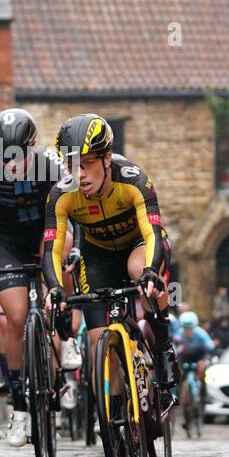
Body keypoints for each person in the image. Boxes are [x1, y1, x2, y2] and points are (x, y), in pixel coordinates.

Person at [41, 114, 177, 396]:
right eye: (71, 165)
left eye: (87, 163)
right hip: (98, 255)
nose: (79, 174)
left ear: (107, 158)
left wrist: (152, 270)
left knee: (139, 270)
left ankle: (163, 346)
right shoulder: (61, 195)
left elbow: (153, 232)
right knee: (99, 344)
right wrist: (54, 287)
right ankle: (116, 421)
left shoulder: (134, 181)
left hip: (139, 245)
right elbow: (52, 249)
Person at [0, 108, 64, 447]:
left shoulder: (53, 164)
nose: (11, 164)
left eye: (18, 155)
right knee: (15, 318)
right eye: (3, 155)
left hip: (48, 232)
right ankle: (20, 405)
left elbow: (70, 218)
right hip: (9, 244)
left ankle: (65, 338)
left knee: (60, 276)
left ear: (34, 146)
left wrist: (65, 256)